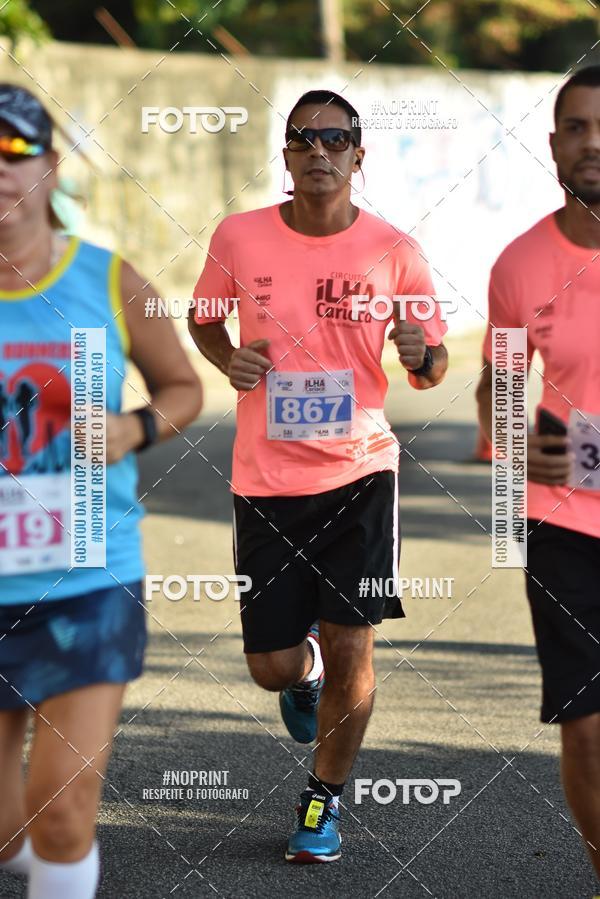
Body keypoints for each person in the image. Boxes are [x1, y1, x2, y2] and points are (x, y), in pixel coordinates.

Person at [189, 88, 448, 863]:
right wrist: (222, 356)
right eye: (303, 139)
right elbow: (204, 315)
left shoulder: (395, 249)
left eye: (335, 139)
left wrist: (419, 355)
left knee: (354, 645)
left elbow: (431, 365)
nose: (318, 151)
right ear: (287, 156)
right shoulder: (239, 236)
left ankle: (321, 802)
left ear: (358, 157)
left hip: (360, 475)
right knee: (271, 667)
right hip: (265, 480)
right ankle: (299, 670)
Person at [0, 84, 202, 898]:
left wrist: (134, 429)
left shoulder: (112, 280)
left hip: (88, 575)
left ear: (51, 167)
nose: (1, 175)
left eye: (15, 154)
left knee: (61, 808)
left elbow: (183, 386)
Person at [476, 65, 600, 895]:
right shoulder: (521, 264)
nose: (593, 145)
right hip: (568, 524)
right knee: (588, 729)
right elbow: (499, 390)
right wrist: (515, 444)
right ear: (554, 144)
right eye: (578, 128)